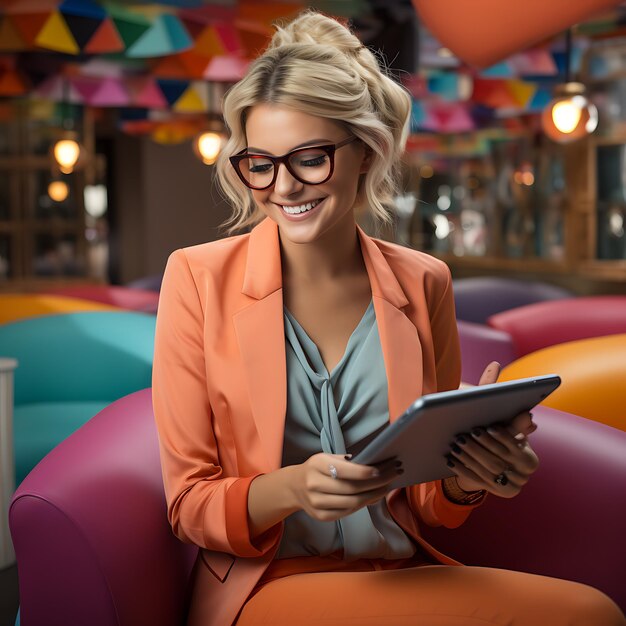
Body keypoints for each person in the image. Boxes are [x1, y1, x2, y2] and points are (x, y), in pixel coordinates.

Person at [152, 10, 625, 626]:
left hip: (398, 570)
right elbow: (189, 505)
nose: (284, 188)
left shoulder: (424, 281)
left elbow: (430, 502)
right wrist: (293, 488)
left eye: (310, 159)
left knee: (591, 611)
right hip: (265, 585)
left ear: (366, 152)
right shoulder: (195, 277)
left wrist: (472, 477)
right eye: (261, 163)